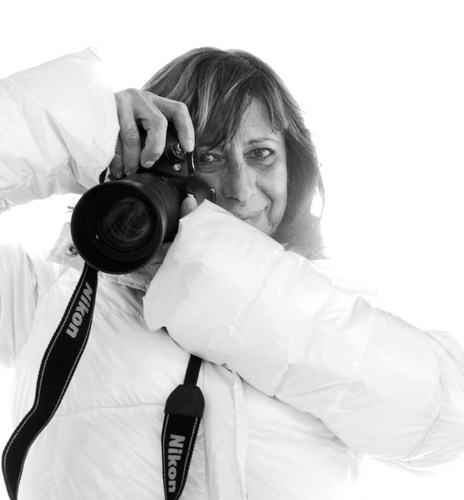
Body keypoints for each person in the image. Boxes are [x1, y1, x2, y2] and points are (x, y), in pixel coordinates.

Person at [0, 47, 463, 500]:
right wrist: (73, 126)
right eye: (207, 159)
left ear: (294, 167)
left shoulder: (339, 299)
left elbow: (447, 427)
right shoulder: (55, 295)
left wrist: (214, 275)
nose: (240, 189)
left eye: (261, 154)